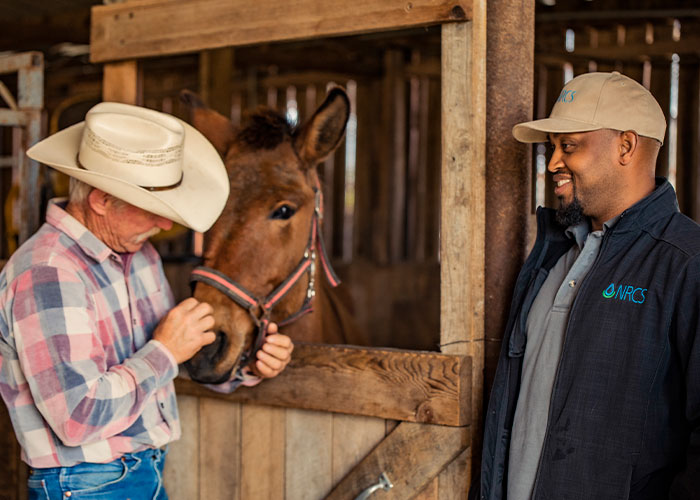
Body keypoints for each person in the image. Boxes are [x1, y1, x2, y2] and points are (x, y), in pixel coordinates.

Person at [0, 102, 294, 499]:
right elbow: (75, 418)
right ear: (102, 200)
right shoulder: (47, 273)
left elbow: (173, 358)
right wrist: (166, 351)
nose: (166, 224)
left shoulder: (139, 255)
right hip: (86, 485)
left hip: (142, 471)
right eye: (152, 208)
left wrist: (248, 365)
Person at [479, 72, 699, 499]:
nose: (552, 163)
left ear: (626, 146)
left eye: (569, 146)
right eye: (552, 148)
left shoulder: (685, 264)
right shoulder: (552, 259)